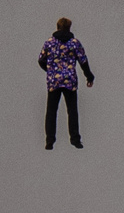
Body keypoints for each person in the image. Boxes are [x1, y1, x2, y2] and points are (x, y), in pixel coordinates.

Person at [38, 17, 94, 149]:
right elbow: (83, 61)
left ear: (57, 27)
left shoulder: (49, 43)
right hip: (70, 81)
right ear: (69, 27)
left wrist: (50, 70)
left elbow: (41, 60)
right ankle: (75, 139)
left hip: (54, 81)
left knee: (51, 111)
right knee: (72, 111)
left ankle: (49, 140)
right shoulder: (74, 43)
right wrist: (89, 76)